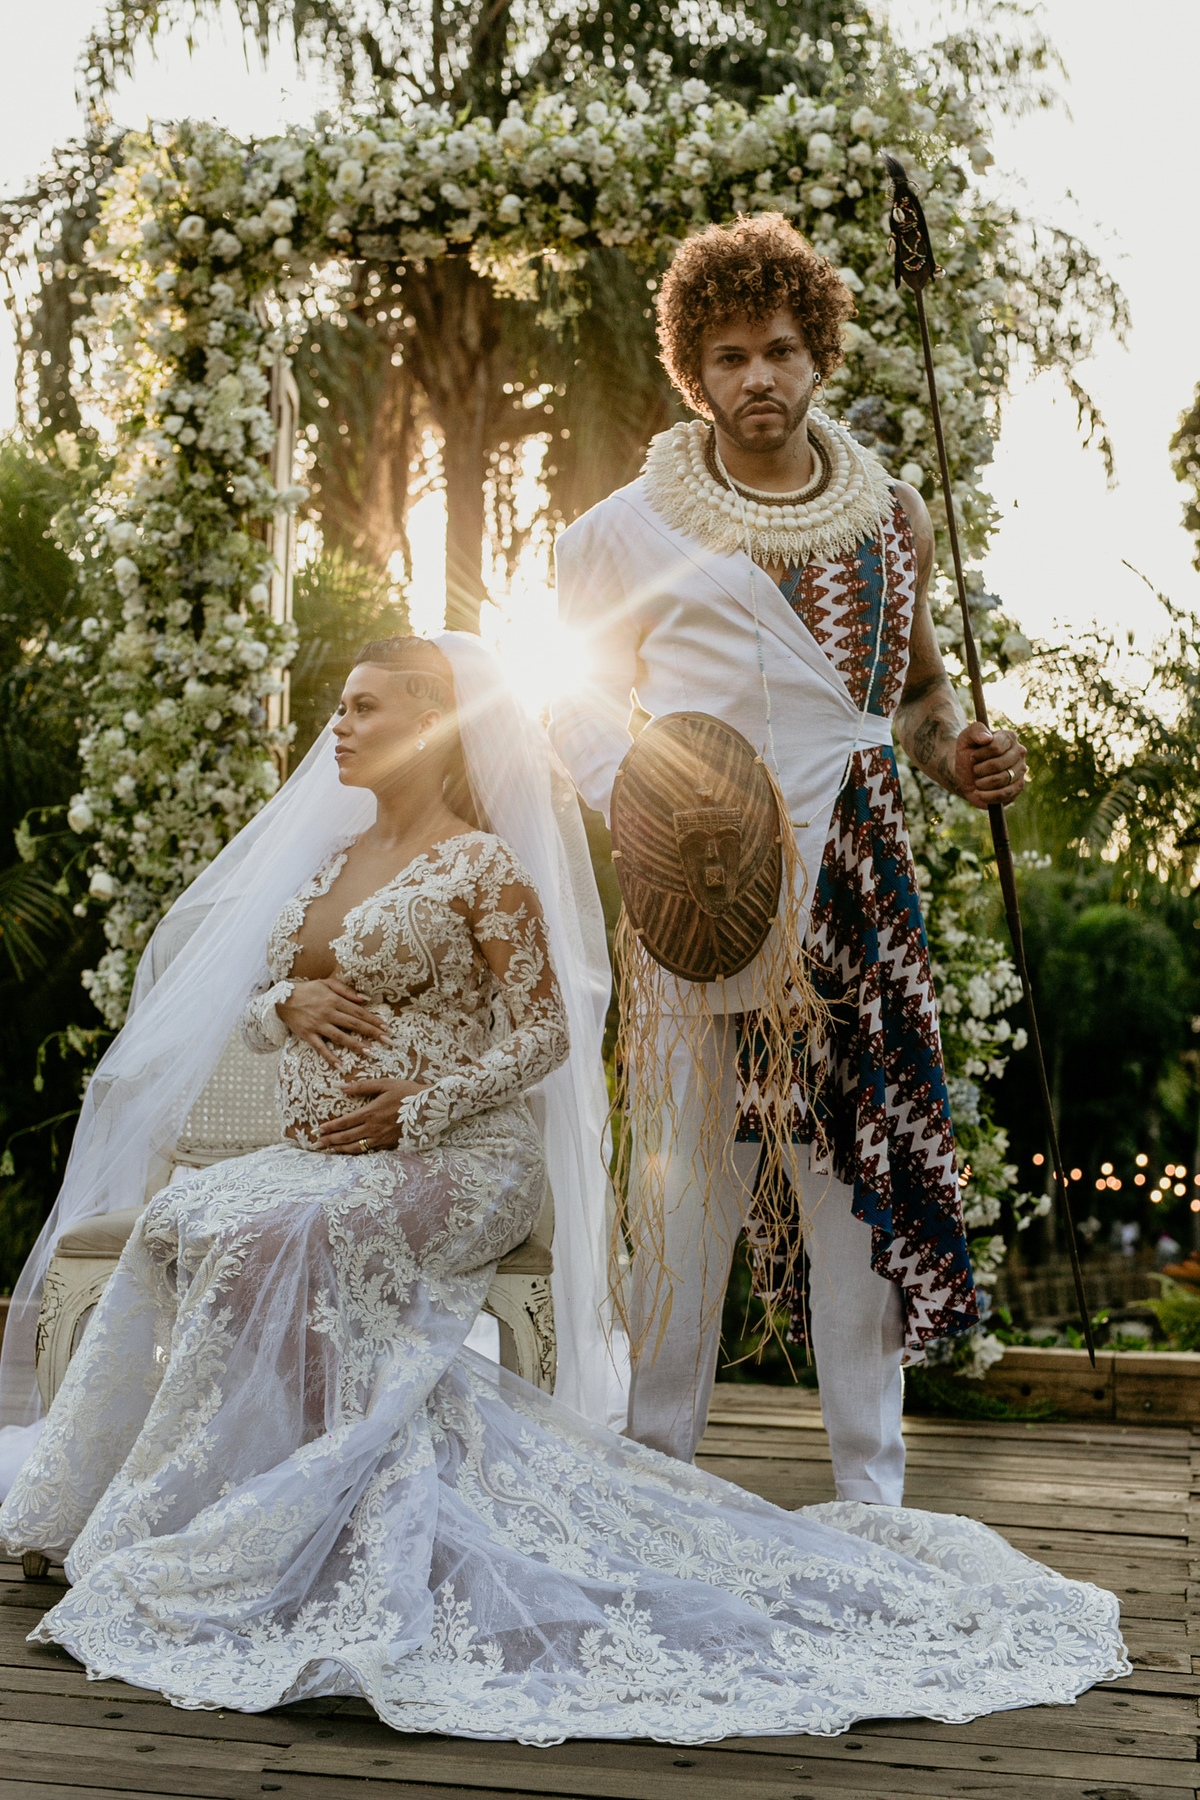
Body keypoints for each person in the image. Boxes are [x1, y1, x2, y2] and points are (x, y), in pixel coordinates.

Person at [0, 632, 1122, 1739]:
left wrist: (417, 1108)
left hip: (462, 1155)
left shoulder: (481, 865)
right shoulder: (325, 864)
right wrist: (282, 1007)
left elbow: (544, 1035)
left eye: (365, 710)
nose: (337, 727)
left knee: (287, 1228)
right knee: (195, 1215)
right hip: (335, 1151)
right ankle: (216, 1499)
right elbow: (264, 992)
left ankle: (309, 1510)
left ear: (433, 732)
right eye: (339, 708)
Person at [550, 213, 1030, 1501]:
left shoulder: (893, 520)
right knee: (689, 1186)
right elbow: (576, 705)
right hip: (699, 898)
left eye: (778, 349)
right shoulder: (625, 530)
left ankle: (872, 1495)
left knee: (851, 1184)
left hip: (859, 882)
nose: (755, 377)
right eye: (726, 357)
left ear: (820, 353)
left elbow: (916, 700)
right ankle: (655, 1475)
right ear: (688, 373)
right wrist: (660, 818)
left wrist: (957, 754)